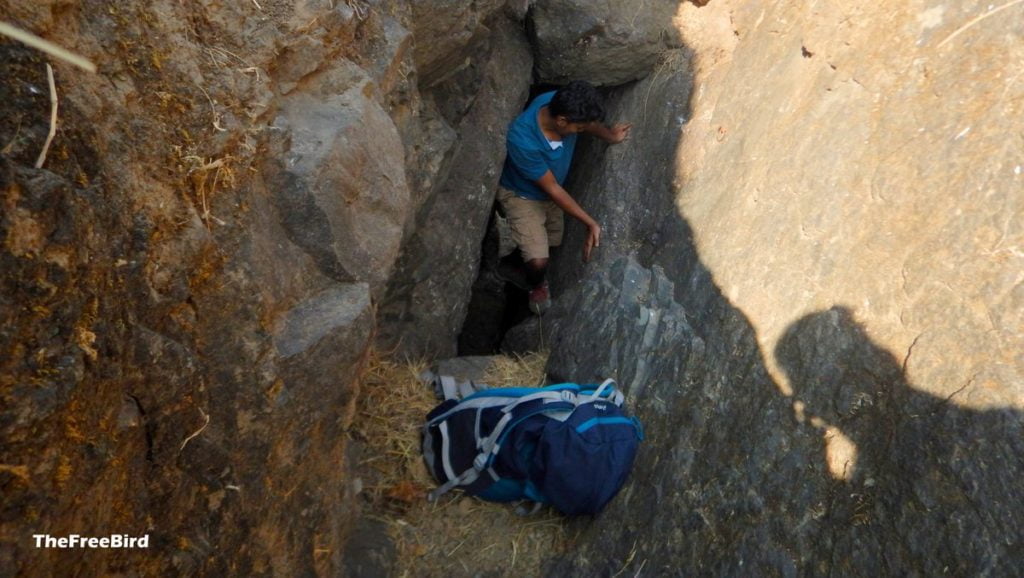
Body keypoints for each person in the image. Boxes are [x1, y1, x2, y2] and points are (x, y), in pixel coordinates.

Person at [496, 80, 632, 314]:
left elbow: (588, 124)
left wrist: (610, 136)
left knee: (553, 241)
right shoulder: (522, 139)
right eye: (578, 129)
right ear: (561, 122)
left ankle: (515, 264)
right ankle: (535, 284)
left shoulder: (557, 104)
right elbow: (552, 189)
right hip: (522, 196)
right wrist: (590, 222)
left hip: (550, 192)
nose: (580, 132)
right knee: (539, 260)